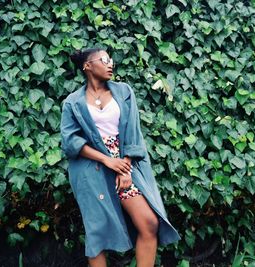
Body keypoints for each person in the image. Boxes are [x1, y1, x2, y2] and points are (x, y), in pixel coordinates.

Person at [60, 48, 180, 267]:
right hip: (90, 168)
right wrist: (106, 160)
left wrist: (124, 167)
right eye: (104, 60)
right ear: (87, 66)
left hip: (124, 163)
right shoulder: (72, 102)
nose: (110, 64)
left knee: (149, 223)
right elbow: (70, 142)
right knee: (97, 232)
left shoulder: (124, 91)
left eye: (111, 60)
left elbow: (134, 132)